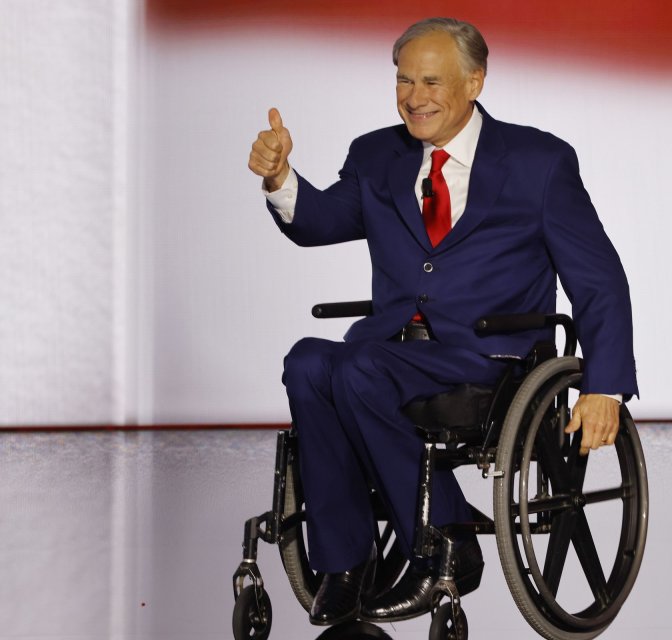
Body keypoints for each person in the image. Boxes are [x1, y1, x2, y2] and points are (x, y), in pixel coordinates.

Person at [248, 17, 638, 627]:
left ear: (474, 81)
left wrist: (603, 387)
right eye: (403, 80)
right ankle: (347, 562)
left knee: (357, 367)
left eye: (431, 81)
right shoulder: (377, 154)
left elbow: (597, 277)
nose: (413, 96)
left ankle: (446, 537)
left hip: (491, 359)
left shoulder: (539, 163)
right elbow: (321, 221)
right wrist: (279, 179)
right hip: (388, 352)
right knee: (307, 359)